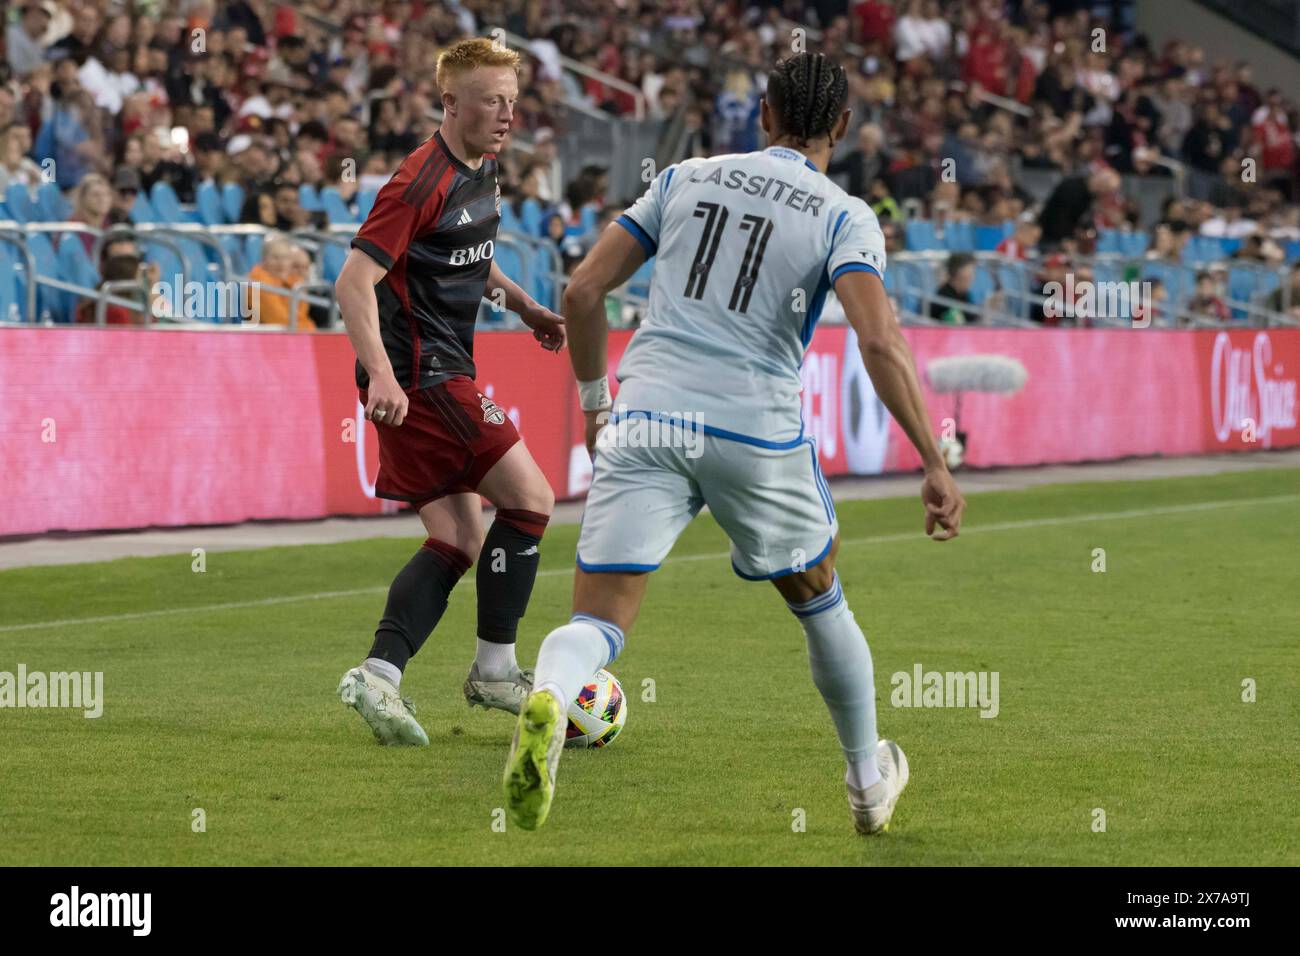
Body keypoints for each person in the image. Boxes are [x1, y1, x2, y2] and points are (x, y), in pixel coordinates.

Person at [503, 52, 965, 834]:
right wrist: (932, 458)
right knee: (819, 596)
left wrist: (593, 405)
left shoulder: (687, 176)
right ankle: (864, 781)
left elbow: (583, 291)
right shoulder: (843, 213)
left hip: (646, 414)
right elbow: (880, 342)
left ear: (763, 113)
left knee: (600, 621)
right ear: (844, 127)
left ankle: (551, 691)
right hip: (752, 426)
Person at [333, 38, 566, 746]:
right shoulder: (416, 181)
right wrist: (379, 372)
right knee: (532, 499)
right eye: (492, 100)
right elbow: (352, 282)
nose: (506, 114)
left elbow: (471, 255)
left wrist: (523, 306)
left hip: (437, 370)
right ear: (450, 103)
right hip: (421, 377)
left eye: (512, 101)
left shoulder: (484, 168)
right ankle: (496, 669)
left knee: (460, 535)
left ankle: (377, 676)